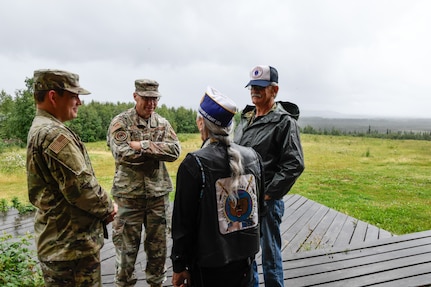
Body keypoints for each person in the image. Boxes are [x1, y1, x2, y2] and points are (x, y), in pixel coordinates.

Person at [26, 69, 117, 287]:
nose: (79, 102)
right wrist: (108, 208)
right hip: (70, 249)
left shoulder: (42, 128)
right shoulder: (53, 134)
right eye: (74, 95)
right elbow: (81, 188)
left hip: (61, 244)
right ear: (53, 96)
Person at [171, 86, 265, 287]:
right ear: (231, 127)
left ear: (200, 123)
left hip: (209, 270)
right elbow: (260, 214)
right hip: (246, 265)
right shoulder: (253, 157)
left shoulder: (193, 164)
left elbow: (183, 225)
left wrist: (179, 266)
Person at [234, 65, 305, 287]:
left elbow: (294, 164)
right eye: (253, 87)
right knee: (245, 252)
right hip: (243, 198)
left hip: (266, 202)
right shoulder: (247, 118)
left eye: (261, 87)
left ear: (274, 90)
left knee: (270, 254)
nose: (255, 91)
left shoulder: (284, 122)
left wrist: (268, 194)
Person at [107, 79, 181, 287]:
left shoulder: (162, 123)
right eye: (146, 99)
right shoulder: (120, 122)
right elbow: (122, 154)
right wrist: (157, 151)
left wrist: (143, 145)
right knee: (125, 251)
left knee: (158, 250)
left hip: (158, 197)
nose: (151, 104)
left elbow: (175, 151)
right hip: (128, 198)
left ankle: (156, 283)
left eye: (154, 99)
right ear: (135, 96)